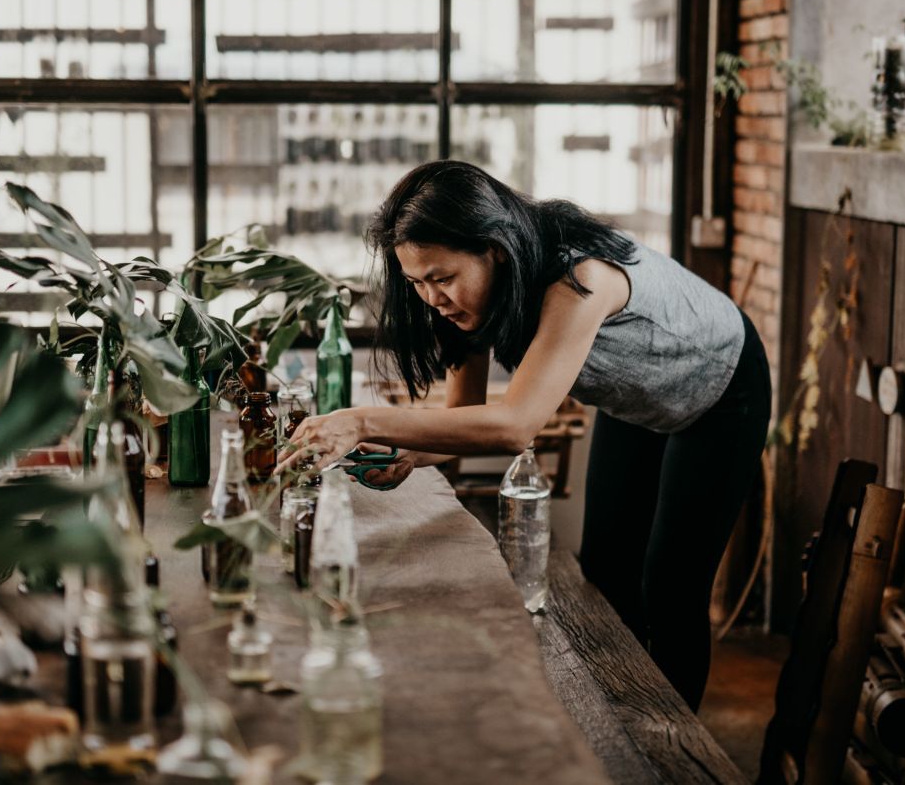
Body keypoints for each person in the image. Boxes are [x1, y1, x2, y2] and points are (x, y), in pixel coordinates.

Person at [277, 160, 771, 711]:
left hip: (721, 389)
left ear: (497, 250)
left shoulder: (579, 279)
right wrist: (412, 452)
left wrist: (362, 420)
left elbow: (514, 427)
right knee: (606, 572)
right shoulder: (469, 300)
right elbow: (466, 419)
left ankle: (674, 749)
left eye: (442, 278)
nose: (432, 298)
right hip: (635, 400)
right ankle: (622, 718)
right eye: (417, 283)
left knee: (671, 591)